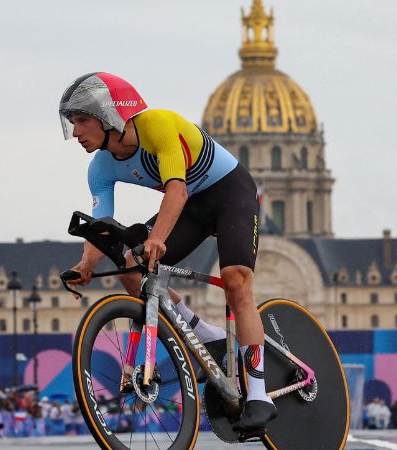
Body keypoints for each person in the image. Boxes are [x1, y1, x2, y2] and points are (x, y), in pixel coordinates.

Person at [60, 72, 275, 432]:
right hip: (191, 207)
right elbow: (101, 225)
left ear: (107, 114)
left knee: (236, 282)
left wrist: (157, 238)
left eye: (82, 120)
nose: (76, 132)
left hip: (228, 194)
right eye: (72, 123)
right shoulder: (99, 167)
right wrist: (84, 264)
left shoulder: (157, 125)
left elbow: (177, 190)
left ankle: (258, 394)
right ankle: (204, 335)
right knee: (129, 266)